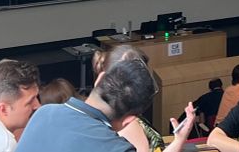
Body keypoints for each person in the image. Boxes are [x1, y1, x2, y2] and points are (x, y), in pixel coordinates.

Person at [16, 56, 194, 152]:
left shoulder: (44, 113)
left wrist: (178, 141)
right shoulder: (117, 148)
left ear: (99, 79)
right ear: (129, 119)